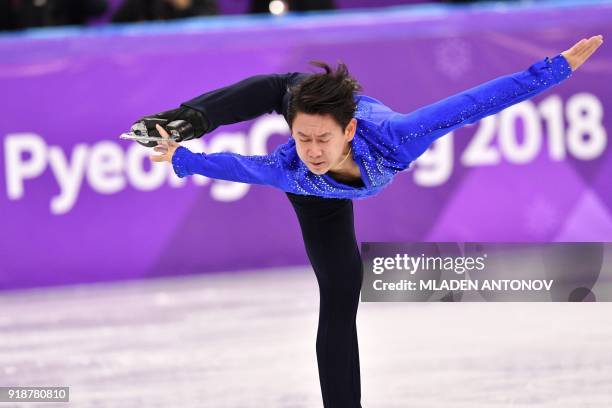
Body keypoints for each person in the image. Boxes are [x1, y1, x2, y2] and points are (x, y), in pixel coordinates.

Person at [126, 35, 603, 408]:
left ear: (349, 130)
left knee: (344, 290)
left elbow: (475, 103)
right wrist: (184, 158)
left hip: (341, 148)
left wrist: (555, 69)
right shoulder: (293, 167)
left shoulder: (399, 136)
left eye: (321, 140)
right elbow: (239, 167)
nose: (311, 151)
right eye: (301, 137)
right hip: (309, 158)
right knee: (278, 91)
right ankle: (188, 117)